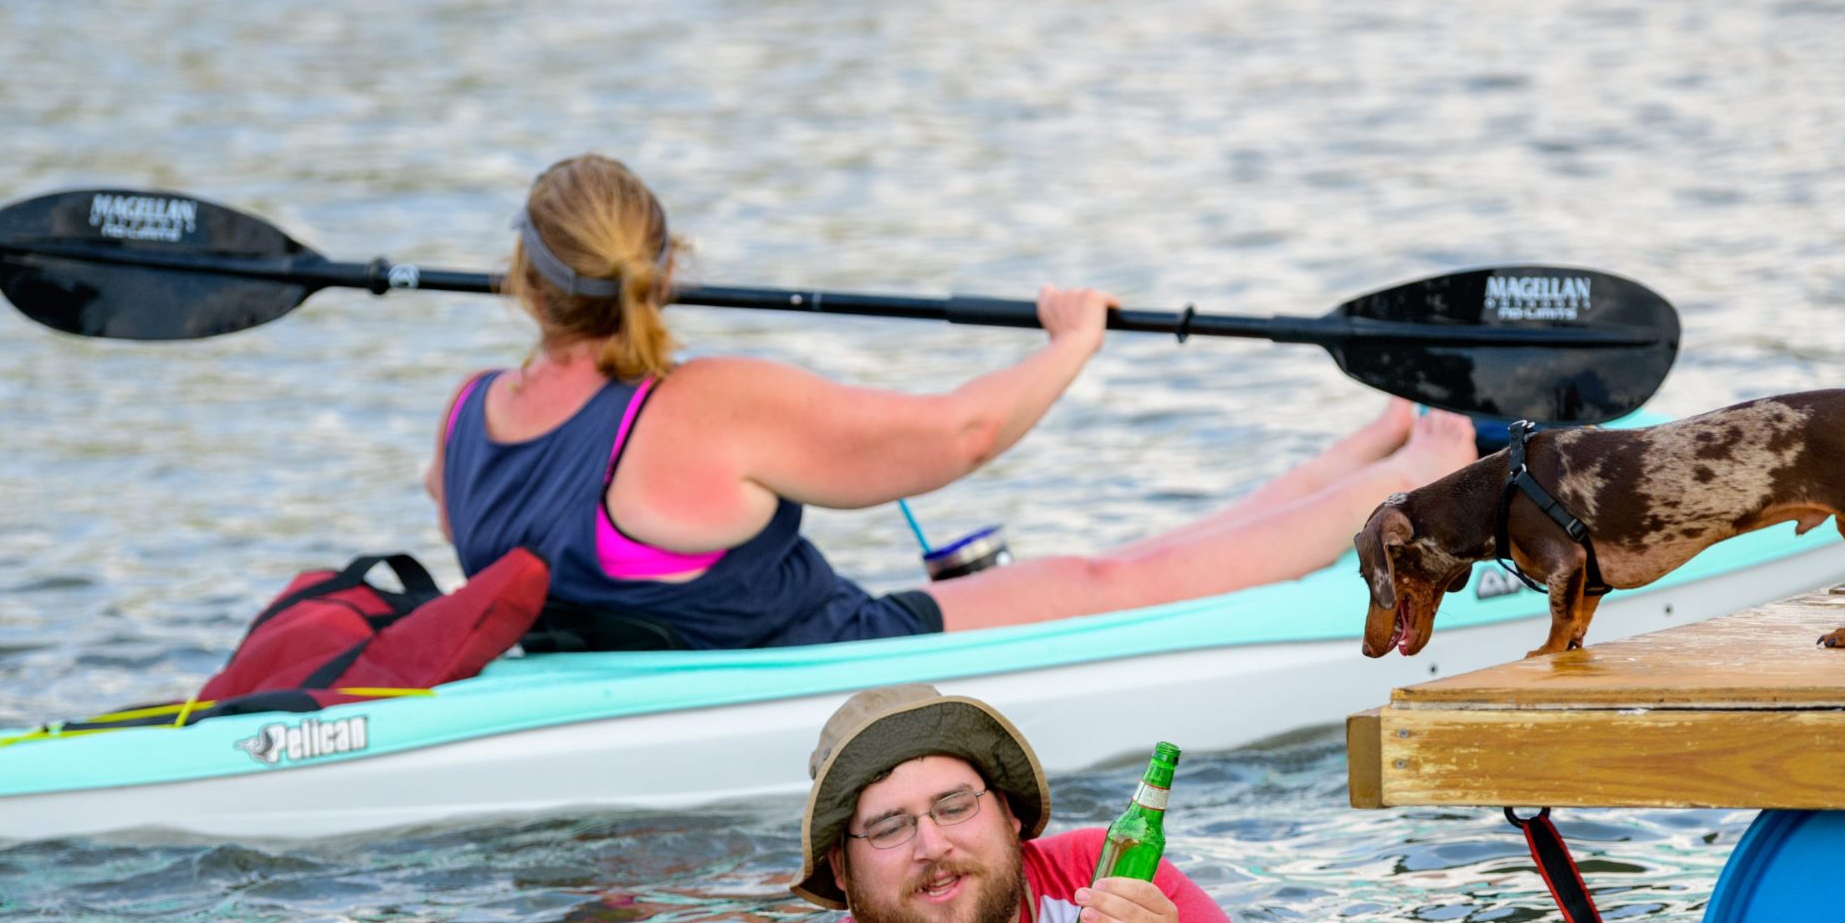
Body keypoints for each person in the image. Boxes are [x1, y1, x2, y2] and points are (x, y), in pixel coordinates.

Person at [424, 154, 1476, 650]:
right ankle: (1409, 473)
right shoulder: (706, 404)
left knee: (1121, 564)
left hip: (623, 664)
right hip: (833, 652)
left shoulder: (465, 422)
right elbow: (960, 435)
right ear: (668, 268)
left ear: (520, 278)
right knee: (1114, 574)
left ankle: (1371, 444)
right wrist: (1075, 341)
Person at [753, 684, 1251, 923]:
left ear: (1010, 814)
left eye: (954, 806)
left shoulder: (1101, 868)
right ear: (842, 869)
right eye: (889, 828)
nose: (933, 845)